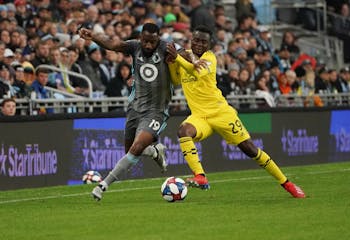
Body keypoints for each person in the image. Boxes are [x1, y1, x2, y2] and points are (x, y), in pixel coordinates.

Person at [166, 25, 306, 198]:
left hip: (221, 113)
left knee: (250, 149)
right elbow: (175, 79)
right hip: (199, 116)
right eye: (196, 40)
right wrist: (172, 62)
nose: (199, 44)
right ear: (191, 40)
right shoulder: (184, 55)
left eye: (204, 41)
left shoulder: (210, 58)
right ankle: (200, 176)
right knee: (183, 132)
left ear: (210, 44)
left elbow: (196, 71)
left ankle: (287, 184)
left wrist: (177, 57)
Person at [78, 22, 171, 201]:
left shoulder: (166, 48)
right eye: (145, 41)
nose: (148, 46)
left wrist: (194, 60)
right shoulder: (134, 47)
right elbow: (112, 44)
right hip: (134, 108)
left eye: (152, 42)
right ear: (141, 38)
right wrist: (93, 36)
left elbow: (184, 54)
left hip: (156, 111)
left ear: (158, 38)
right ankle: (154, 152)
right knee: (130, 151)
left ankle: (103, 185)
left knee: (136, 148)